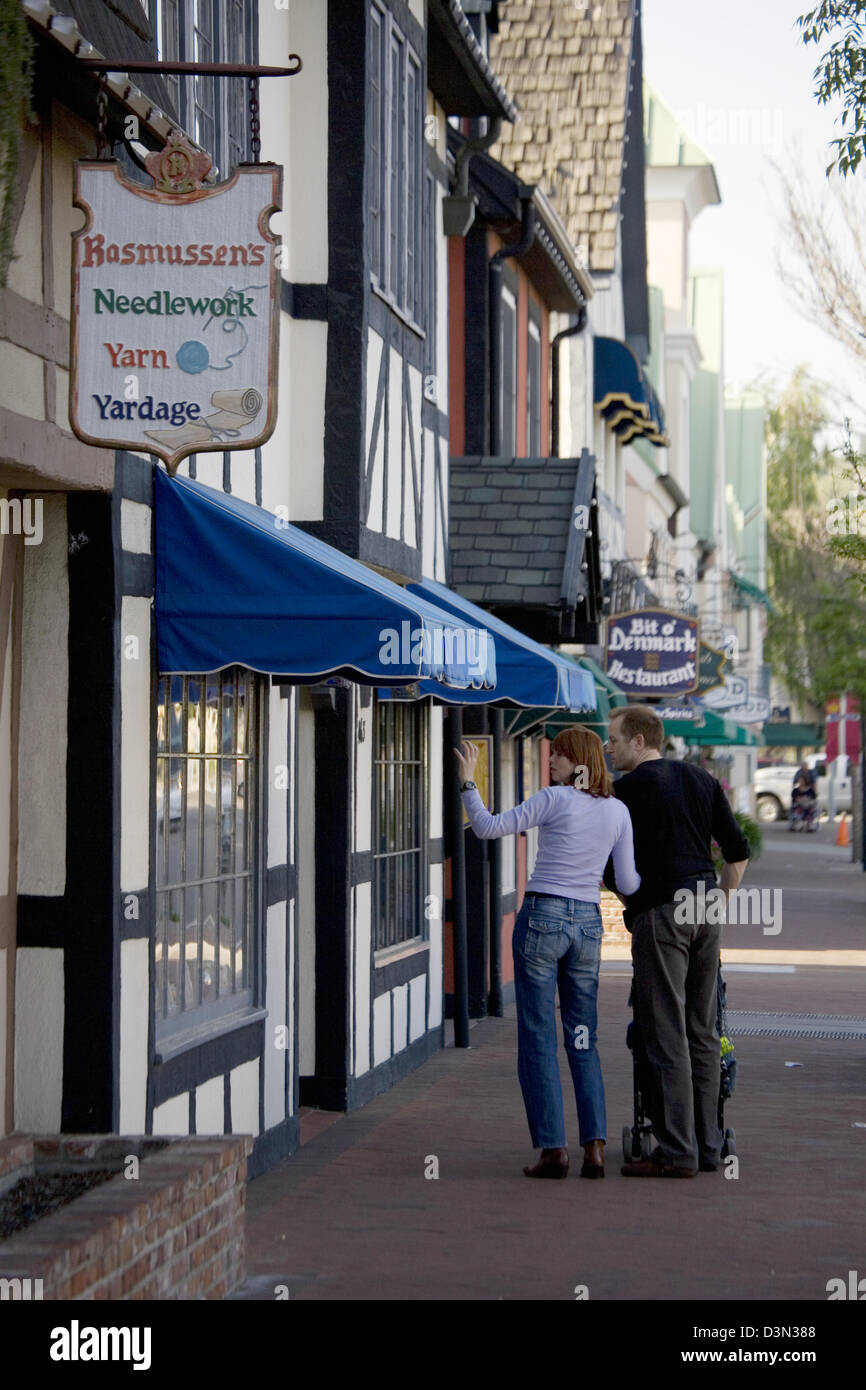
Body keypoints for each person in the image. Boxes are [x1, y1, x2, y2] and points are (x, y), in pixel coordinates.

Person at [455, 726, 640, 1181]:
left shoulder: (554, 798)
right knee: (582, 1036)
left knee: (537, 1036)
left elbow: (488, 827)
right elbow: (631, 883)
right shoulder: (617, 811)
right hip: (588, 925)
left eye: (557, 755)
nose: (551, 761)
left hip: (542, 917)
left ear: (577, 761)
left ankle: (553, 1150)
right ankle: (594, 1147)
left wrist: (467, 782)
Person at [603, 706, 750, 1177]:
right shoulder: (701, 779)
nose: (608, 748)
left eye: (614, 739)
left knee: (665, 1030)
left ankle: (676, 1150)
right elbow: (737, 853)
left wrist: (637, 899)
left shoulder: (621, 794)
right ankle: (709, 1146)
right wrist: (718, 903)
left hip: (661, 913)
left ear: (639, 741)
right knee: (703, 1031)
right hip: (703, 904)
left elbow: (613, 874)